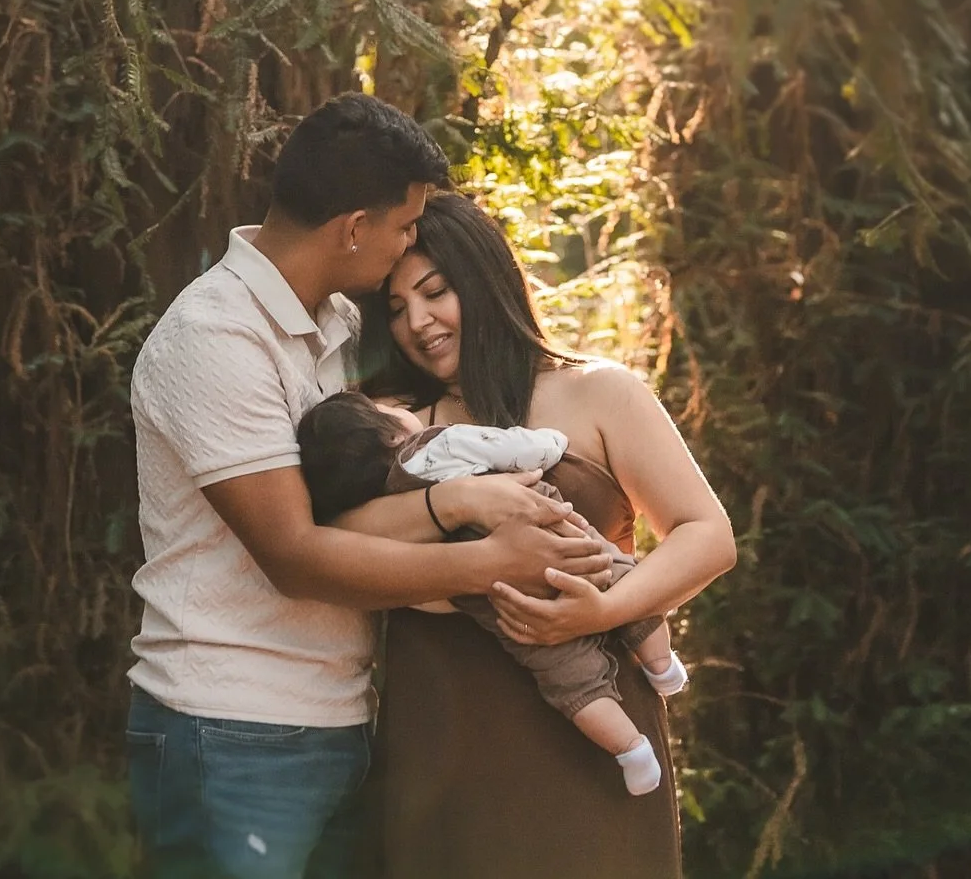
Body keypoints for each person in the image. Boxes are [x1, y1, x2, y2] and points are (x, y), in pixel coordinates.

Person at [125, 94, 613, 879]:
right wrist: (493, 557)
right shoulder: (214, 336)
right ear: (355, 228)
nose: (412, 239)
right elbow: (295, 555)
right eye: (405, 223)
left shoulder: (340, 330)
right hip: (228, 731)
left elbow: (405, 456)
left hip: (342, 719)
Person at [359, 191, 737, 879]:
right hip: (443, 741)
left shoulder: (599, 392)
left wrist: (607, 610)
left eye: (436, 291)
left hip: (597, 738)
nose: (418, 321)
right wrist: (459, 502)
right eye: (395, 307)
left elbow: (707, 535)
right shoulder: (392, 423)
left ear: (483, 277)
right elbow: (343, 541)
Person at [295, 392, 689, 795]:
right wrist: (551, 443)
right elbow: (518, 449)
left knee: (569, 677)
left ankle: (630, 749)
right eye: (387, 412)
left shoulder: (384, 505)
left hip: (497, 598)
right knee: (623, 579)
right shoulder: (440, 443)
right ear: (393, 437)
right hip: (560, 545)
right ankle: (661, 667)